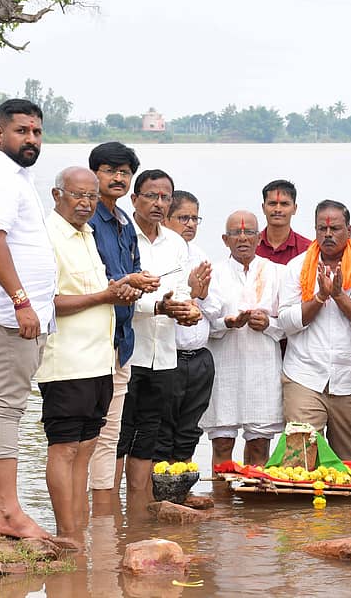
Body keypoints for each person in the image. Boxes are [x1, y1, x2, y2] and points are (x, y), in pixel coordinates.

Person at [0, 98, 55, 539]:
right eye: (22, 131)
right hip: (9, 316)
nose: (31, 140)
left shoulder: (16, 177)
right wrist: (21, 301)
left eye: (37, 132)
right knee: (6, 408)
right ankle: (7, 513)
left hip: (20, 314)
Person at [36, 167, 121, 537]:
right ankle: (65, 533)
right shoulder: (46, 236)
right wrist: (105, 296)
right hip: (66, 360)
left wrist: (122, 287)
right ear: (57, 195)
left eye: (92, 197)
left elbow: (98, 288)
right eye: (78, 195)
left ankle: (77, 533)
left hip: (100, 359)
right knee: (65, 448)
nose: (86, 204)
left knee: (86, 447)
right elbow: (47, 301)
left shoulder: (87, 234)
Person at [116, 169, 202, 495]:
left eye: (165, 197)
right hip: (129, 352)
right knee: (120, 436)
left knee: (149, 436)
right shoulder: (123, 238)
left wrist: (187, 311)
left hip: (164, 355)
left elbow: (180, 293)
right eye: (151, 196)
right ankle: (109, 513)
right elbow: (115, 294)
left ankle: (137, 513)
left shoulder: (177, 243)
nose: (159, 203)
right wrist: (156, 308)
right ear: (134, 198)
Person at [279, 200, 351, 463]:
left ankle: (346, 508)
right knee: (299, 459)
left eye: (335, 228)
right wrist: (319, 297)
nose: (328, 234)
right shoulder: (297, 267)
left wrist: (338, 296)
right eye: (321, 229)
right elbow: (286, 322)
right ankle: (301, 506)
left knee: (348, 464)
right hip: (304, 375)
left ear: (349, 230)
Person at [87, 141, 160, 509]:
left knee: (111, 432)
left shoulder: (124, 221)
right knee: (86, 434)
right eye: (109, 170)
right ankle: (90, 515)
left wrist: (140, 279)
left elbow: (127, 271)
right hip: (89, 338)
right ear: (94, 174)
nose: (118, 178)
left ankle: (104, 517)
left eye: (124, 172)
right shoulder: (86, 218)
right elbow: (95, 279)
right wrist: (131, 279)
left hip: (121, 339)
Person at [201, 211, 285, 467]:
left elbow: (291, 322)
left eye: (249, 232)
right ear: (225, 239)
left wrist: (269, 324)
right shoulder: (211, 272)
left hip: (263, 368)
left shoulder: (277, 272)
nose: (243, 238)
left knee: (260, 445)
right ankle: (223, 507)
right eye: (236, 233)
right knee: (223, 443)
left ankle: (255, 506)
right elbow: (202, 321)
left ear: (259, 238)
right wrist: (227, 323)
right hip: (225, 367)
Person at [156, 191, 217, 465]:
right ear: (166, 219)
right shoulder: (160, 253)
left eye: (195, 218)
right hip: (169, 355)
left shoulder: (200, 255)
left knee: (190, 428)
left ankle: (180, 489)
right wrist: (190, 293)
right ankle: (158, 493)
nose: (190, 224)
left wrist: (200, 296)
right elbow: (159, 301)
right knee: (161, 428)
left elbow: (217, 307)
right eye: (183, 217)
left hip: (199, 356)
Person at [255, 179, 312, 265]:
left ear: (294, 208)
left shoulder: (308, 250)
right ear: (263, 208)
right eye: (272, 203)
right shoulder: (250, 246)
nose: (278, 209)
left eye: (284, 204)